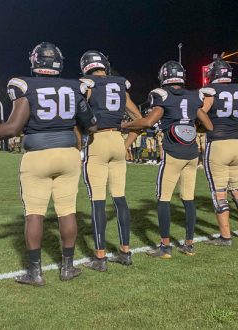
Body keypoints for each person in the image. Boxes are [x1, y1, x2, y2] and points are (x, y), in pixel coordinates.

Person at [0, 42, 97, 286]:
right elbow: (92, 124)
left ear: (35, 61)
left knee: (34, 214)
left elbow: (12, 127)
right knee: (67, 211)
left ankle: (35, 273)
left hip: (38, 155)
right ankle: (68, 268)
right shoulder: (74, 86)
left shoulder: (25, 85)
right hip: (68, 154)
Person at [122, 60, 211, 258]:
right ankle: (189, 245)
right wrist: (195, 128)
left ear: (164, 77)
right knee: (188, 199)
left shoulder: (162, 95)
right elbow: (208, 125)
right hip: (192, 153)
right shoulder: (194, 96)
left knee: (164, 199)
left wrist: (125, 125)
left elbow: (148, 121)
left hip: (173, 153)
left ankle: (165, 247)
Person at [77, 50, 142, 271]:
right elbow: (140, 121)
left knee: (97, 200)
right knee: (120, 198)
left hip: (98, 140)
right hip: (117, 140)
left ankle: (100, 257)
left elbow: (79, 114)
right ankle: (125, 252)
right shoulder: (119, 84)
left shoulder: (87, 84)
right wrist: (125, 143)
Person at [199, 59, 238, 245]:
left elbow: (200, 113)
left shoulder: (210, 91)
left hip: (218, 144)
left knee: (219, 193)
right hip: (237, 143)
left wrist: (203, 126)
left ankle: (226, 237)